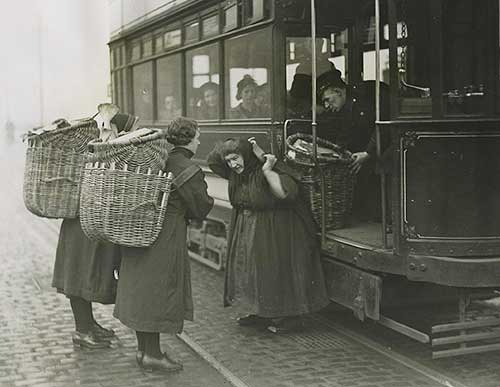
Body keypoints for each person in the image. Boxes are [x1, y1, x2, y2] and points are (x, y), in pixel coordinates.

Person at [113, 117, 213, 373]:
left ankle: (144, 350)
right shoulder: (187, 167)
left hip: (139, 231)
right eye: (198, 136)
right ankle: (154, 356)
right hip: (165, 236)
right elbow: (201, 206)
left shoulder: (157, 157)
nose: (199, 140)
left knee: (142, 292)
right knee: (159, 292)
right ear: (189, 139)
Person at [207, 138, 329, 333]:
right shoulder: (236, 173)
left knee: (271, 272)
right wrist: (239, 146)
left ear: (246, 155)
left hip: (275, 229)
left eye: (235, 158)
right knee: (251, 272)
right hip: (248, 226)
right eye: (229, 161)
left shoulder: (271, 170)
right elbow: (212, 161)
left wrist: (266, 166)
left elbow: (285, 194)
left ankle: (287, 318)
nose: (232, 164)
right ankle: (259, 312)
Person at [51, 115, 139, 349]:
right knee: (78, 275)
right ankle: (82, 330)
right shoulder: (95, 149)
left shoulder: (102, 148)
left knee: (85, 275)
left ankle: (89, 324)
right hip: (81, 224)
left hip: (89, 224)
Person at [317, 70, 390, 221]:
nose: (326, 105)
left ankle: (385, 218)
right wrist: (338, 154)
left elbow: (383, 126)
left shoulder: (366, 98)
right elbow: (344, 135)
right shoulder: (343, 109)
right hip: (370, 153)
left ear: (338, 92)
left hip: (387, 149)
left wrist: (368, 153)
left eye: (327, 99)